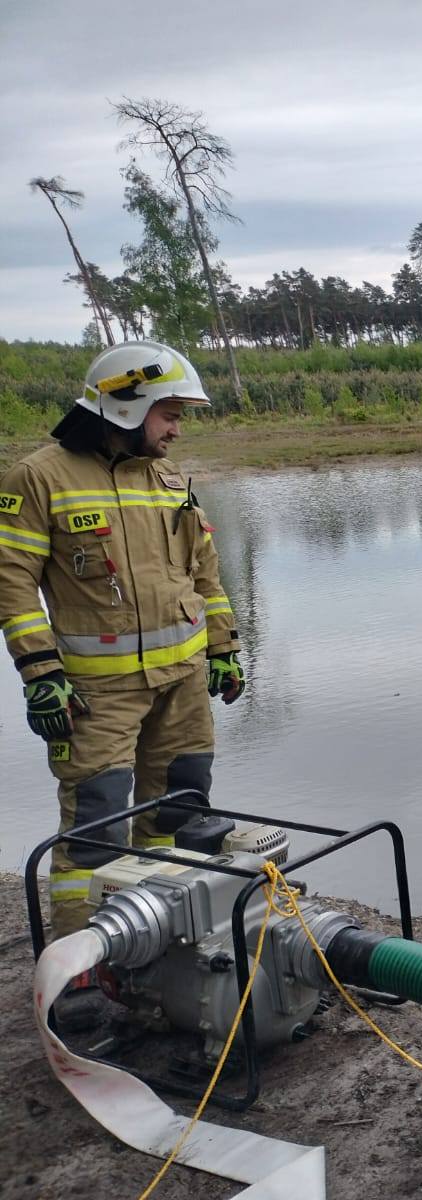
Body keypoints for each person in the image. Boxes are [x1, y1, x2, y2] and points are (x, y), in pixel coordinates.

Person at [0, 340, 245, 949]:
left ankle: (167, 947)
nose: (178, 430)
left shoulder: (167, 478)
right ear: (128, 407)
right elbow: (11, 582)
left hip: (184, 687)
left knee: (181, 816)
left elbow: (204, 570)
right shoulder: (38, 478)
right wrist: (40, 672)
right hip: (96, 695)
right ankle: (82, 969)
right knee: (95, 832)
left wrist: (223, 647)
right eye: (170, 414)